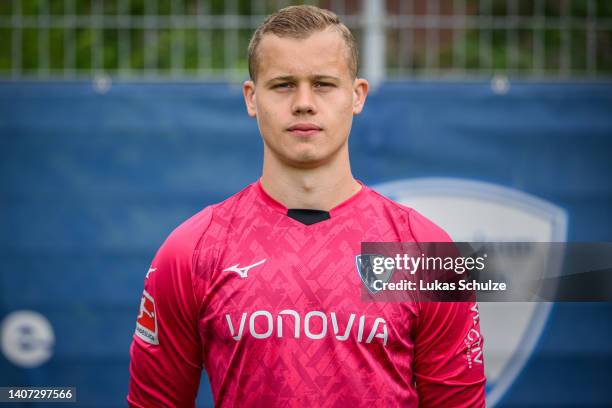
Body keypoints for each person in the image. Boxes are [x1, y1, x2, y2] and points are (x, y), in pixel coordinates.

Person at [127, 5, 485, 407]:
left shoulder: (423, 252)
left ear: (357, 95)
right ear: (251, 97)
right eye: (282, 84)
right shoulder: (191, 252)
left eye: (323, 84)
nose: (303, 103)